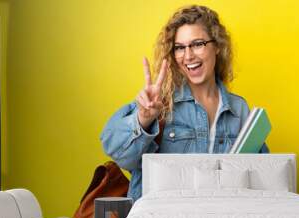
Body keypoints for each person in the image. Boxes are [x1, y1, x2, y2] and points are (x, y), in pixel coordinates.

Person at [101, 5, 269, 201]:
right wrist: (143, 119)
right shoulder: (160, 103)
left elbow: (263, 176)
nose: (188, 56)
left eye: (197, 44)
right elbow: (118, 153)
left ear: (217, 46)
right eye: (180, 47)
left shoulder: (239, 109)